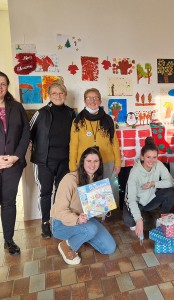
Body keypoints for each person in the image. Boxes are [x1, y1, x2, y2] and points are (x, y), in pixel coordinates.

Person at [51, 147, 116, 265]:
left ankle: (83, 234)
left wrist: (105, 207)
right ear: (82, 162)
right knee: (91, 229)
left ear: (100, 163)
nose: (93, 164)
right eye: (89, 161)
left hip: (86, 220)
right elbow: (60, 210)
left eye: (96, 161)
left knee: (109, 248)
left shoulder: (97, 181)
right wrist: (77, 219)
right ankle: (67, 245)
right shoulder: (69, 179)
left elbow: (97, 212)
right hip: (62, 224)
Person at [30, 82, 75, 239]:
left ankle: (57, 220)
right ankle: (45, 223)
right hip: (44, 161)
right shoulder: (41, 113)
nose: (58, 96)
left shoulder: (71, 113)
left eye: (61, 93)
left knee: (61, 193)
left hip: (64, 161)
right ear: (49, 95)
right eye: (54, 93)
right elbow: (28, 134)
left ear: (65, 95)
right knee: (45, 193)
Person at [0, 71, 30, 255]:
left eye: (3, 83)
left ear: (7, 86)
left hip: (12, 164)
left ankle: (8, 240)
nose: (0, 87)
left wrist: (16, 156)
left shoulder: (16, 107)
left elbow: (26, 133)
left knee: (9, 202)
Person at [123, 137, 174, 238]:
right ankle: (139, 217)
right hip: (137, 202)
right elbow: (131, 199)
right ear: (142, 157)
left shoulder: (159, 165)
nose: (151, 161)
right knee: (130, 222)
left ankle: (162, 219)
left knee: (171, 192)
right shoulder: (134, 172)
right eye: (148, 157)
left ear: (157, 157)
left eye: (154, 157)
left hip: (151, 199)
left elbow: (170, 182)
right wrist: (138, 220)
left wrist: (153, 183)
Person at [69, 88, 121, 180]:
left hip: (107, 162)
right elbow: (73, 145)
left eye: (95, 98)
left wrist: (118, 163)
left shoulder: (108, 120)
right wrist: (72, 166)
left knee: (107, 193)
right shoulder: (77, 121)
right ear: (85, 101)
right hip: (85, 163)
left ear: (100, 101)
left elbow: (114, 143)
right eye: (89, 98)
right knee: (88, 193)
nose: (92, 101)